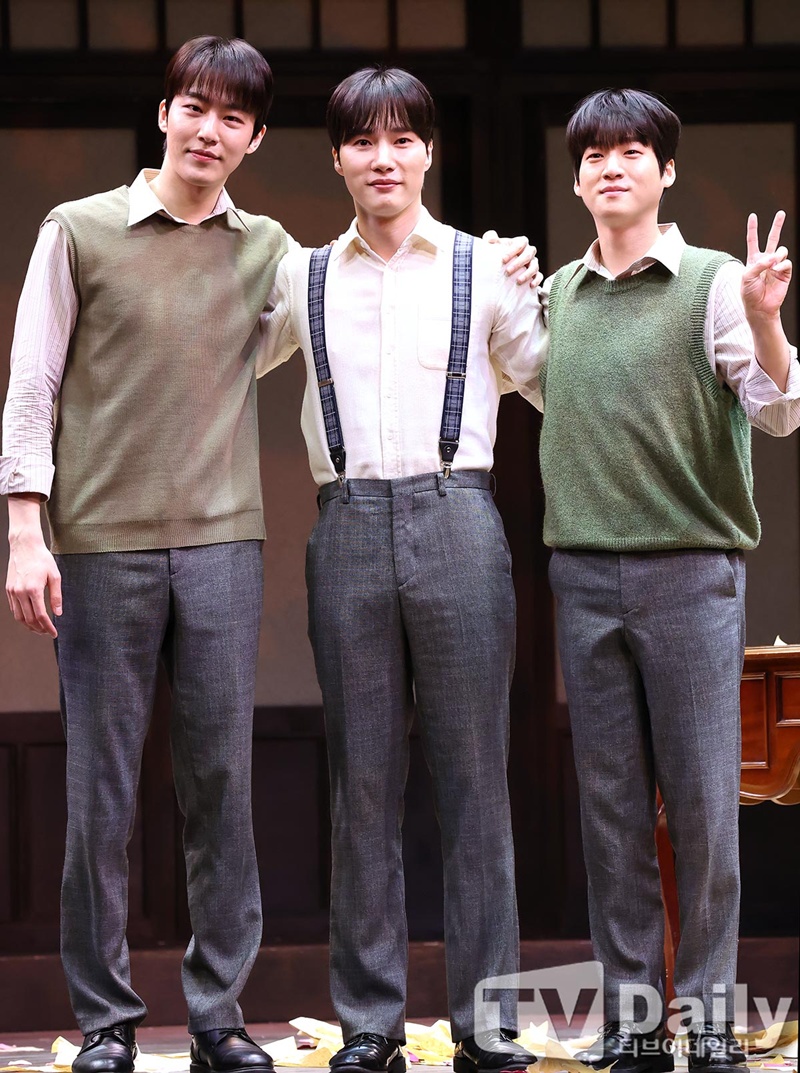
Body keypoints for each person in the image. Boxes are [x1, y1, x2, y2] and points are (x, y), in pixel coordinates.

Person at [1, 36, 289, 1073]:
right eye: (194, 108)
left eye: (232, 118)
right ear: (164, 113)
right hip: (98, 546)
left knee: (221, 785)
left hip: (222, 544)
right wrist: (24, 530)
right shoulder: (77, 230)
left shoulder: (269, 250)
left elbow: (350, 303)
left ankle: (219, 1016)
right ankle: (106, 1021)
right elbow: (33, 382)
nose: (209, 131)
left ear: (255, 139)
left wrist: (488, 266)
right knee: (101, 790)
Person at [258, 66, 546, 1073]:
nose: (383, 158)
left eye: (401, 138)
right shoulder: (300, 276)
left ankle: (488, 1023)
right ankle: (370, 1022)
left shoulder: (483, 267)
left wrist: (543, 283)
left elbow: (560, 382)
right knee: (362, 783)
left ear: (429, 150)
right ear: (336, 158)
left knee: (475, 780)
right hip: (345, 520)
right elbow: (216, 355)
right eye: (362, 141)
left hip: (459, 513)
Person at [530, 88, 799, 1073]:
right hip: (581, 574)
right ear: (576, 179)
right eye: (594, 155)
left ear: (666, 170)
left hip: (690, 571)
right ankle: (638, 1025)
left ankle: (712, 1022)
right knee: (610, 817)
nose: (611, 167)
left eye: (632, 152)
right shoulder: (556, 295)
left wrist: (767, 321)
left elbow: (779, 409)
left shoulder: (714, 283)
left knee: (701, 810)